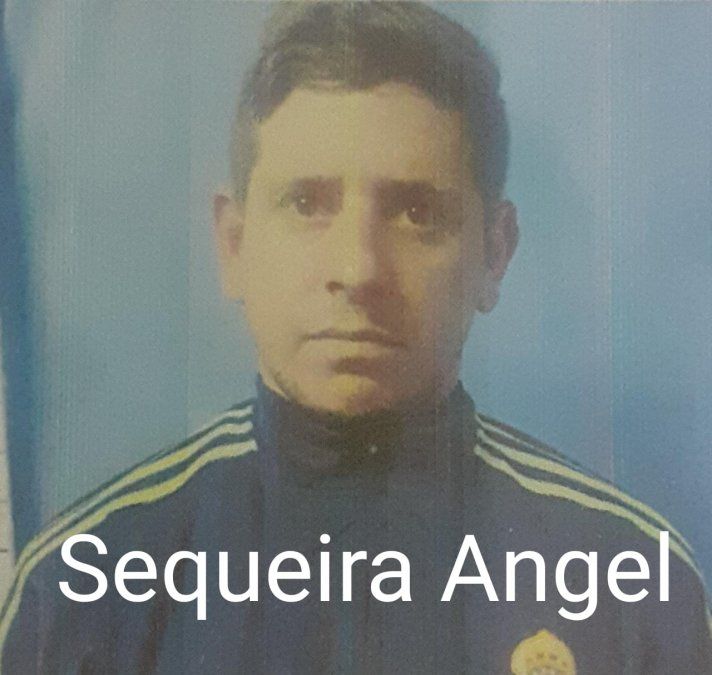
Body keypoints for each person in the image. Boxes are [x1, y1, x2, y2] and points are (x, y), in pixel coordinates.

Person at [1, 2, 710, 673]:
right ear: (234, 243)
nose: (358, 268)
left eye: (416, 212)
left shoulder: (634, 587)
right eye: (307, 203)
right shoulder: (80, 586)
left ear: (494, 253)